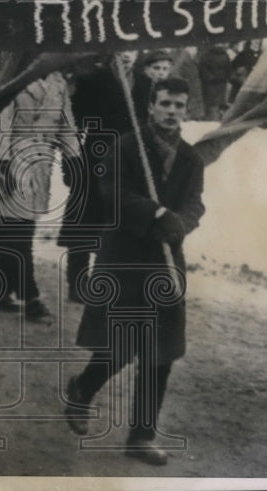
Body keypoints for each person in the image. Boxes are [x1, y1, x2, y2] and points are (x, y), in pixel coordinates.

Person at [65, 77, 205, 466]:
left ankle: (141, 436)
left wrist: (181, 222)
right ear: (151, 106)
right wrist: (156, 213)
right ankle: (82, 388)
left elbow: (195, 204)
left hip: (165, 263)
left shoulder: (191, 159)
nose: (172, 111)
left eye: (179, 105)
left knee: (161, 351)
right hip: (126, 259)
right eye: (165, 104)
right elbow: (114, 195)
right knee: (122, 344)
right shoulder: (126, 148)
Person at [0, 71, 80, 322]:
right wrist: (2, 162)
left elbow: (66, 123)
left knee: (18, 228)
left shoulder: (58, 82)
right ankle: (31, 298)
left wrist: (73, 158)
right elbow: (2, 123)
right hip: (14, 158)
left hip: (42, 163)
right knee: (19, 232)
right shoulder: (17, 75)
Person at [61, 50, 142, 303]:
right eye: (122, 49)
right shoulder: (94, 80)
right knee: (84, 224)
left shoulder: (146, 83)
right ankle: (77, 281)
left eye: (133, 49)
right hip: (94, 160)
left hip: (129, 165)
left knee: (117, 223)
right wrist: (70, 162)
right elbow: (73, 125)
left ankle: (104, 280)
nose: (127, 55)